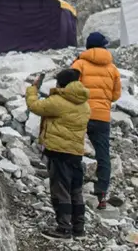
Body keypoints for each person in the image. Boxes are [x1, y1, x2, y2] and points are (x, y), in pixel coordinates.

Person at [26, 69, 91, 239]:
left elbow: (34, 106)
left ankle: (63, 229)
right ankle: (79, 228)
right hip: (76, 153)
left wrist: (33, 89)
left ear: (61, 84)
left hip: (58, 152)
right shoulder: (84, 103)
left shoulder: (58, 101)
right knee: (75, 191)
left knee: (60, 191)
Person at [71, 32, 122, 208]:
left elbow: (70, 88)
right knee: (103, 154)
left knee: (74, 149)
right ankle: (101, 195)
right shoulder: (112, 69)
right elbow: (116, 96)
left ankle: (74, 187)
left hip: (80, 114)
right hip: (102, 117)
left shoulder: (79, 64)